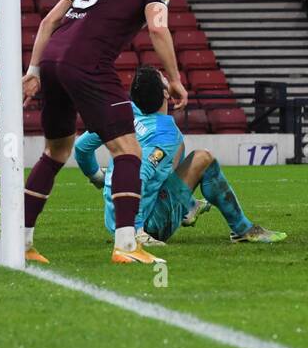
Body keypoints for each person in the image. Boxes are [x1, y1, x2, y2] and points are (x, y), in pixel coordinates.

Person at [20, 0, 186, 264]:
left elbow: (48, 21)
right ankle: (126, 246)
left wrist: (33, 71)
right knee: (128, 151)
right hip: (88, 64)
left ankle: (21, 242)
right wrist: (175, 78)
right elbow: (157, 27)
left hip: (52, 60)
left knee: (55, 152)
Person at [75, 67, 285, 249]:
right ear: (165, 93)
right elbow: (139, 176)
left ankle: (189, 205)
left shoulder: (123, 111)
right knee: (203, 159)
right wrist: (136, 231)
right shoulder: (165, 135)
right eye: (165, 79)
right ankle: (243, 229)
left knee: (176, 154)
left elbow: (81, 147)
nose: (169, 79)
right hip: (145, 224)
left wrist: (98, 178)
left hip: (114, 220)